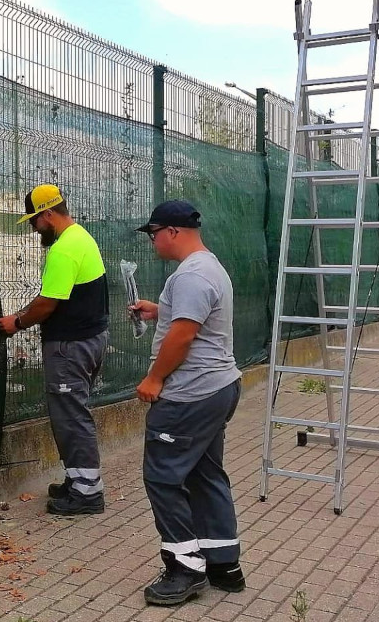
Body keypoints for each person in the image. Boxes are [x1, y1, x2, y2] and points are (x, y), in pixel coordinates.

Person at [128, 200, 245, 606]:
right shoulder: (209, 267)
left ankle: (185, 567)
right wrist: (159, 311)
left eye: (154, 232)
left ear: (173, 232)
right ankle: (224, 564)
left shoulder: (191, 276)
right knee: (205, 474)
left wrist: (155, 378)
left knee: (163, 476)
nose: (153, 240)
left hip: (190, 395)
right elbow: (193, 316)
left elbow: (183, 336)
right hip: (219, 388)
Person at [0, 184, 110, 516]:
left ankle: (88, 493)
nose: (33, 228)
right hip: (90, 339)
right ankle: (78, 480)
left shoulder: (62, 250)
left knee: (72, 417)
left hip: (71, 347)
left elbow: (47, 303)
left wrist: (15, 322)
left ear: (48, 214)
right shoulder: (81, 237)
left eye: (34, 221)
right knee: (72, 413)